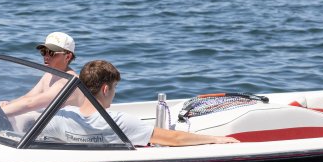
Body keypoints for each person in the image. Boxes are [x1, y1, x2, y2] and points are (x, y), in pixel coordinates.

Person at [43, 60, 240, 147]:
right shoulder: (119, 122)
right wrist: (215, 139)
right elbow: (174, 139)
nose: (114, 93)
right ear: (105, 89)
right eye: (114, 87)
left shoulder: (63, 117)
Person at [1, 32, 85, 129]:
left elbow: (30, 103)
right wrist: (7, 104)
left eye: (52, 53)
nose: (46, 56)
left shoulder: (67, 81)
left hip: (65, 132)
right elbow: (28, 97)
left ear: (68, 57)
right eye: (44, 52)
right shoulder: (49, 75)